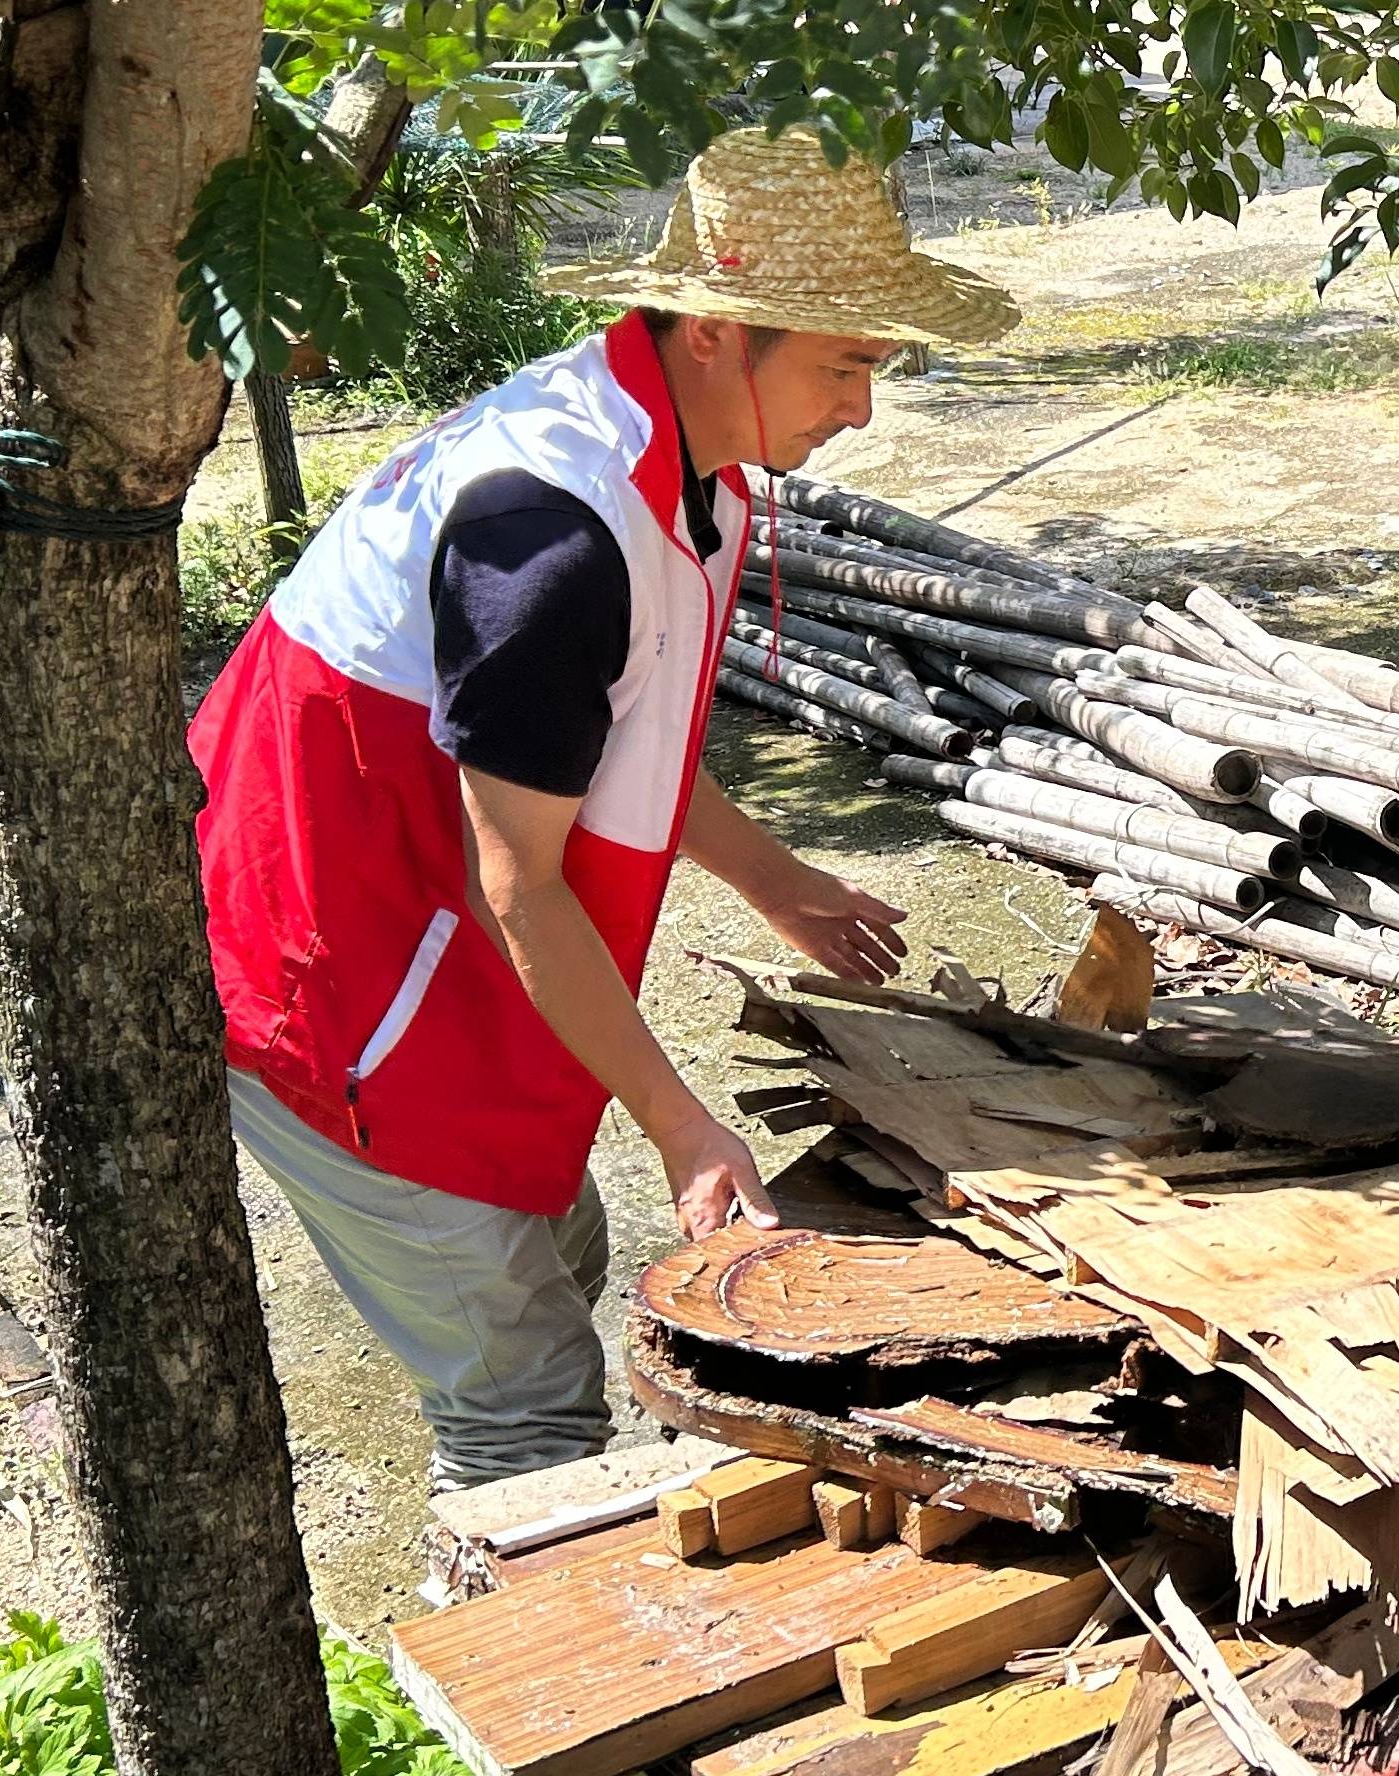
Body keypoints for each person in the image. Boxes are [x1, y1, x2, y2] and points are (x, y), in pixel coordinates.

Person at [188, 131, 1021, 1488]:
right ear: (710, 334)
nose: (862, 411)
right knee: (523, 1397)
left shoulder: (681, 464)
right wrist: (683, 1126)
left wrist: (772, 878)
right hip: (333, 985)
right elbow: (521, 879)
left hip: (438, 930)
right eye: (844, 364)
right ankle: (521, 1657)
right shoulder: (552, 537)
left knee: (559, 1245)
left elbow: (603, 740)